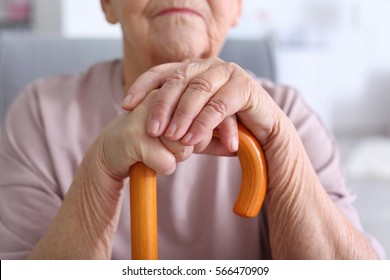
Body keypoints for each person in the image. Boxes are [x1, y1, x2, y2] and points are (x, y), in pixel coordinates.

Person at [0, 0, 385, 260]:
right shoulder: (39, 114)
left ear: (236, 6)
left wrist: (279, 146)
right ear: (107, 4)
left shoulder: (290, 117)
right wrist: (100, 170)